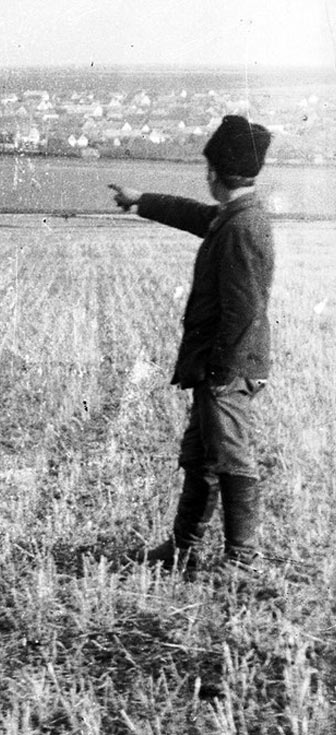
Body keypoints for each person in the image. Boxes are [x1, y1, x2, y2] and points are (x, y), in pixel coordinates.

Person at [108, 114, 275, 577]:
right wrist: (141, 201)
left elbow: (245, 310)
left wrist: (223, 371)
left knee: (231, 455)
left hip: (227, 366)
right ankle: (182, 550)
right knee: (200, 458)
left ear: (215, 174)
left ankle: (242, 561)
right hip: (218, 365)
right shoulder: (238, 217)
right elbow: (195, 216)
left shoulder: (244, 227)